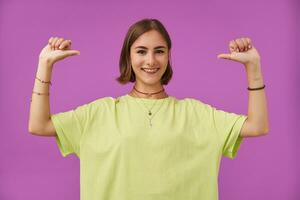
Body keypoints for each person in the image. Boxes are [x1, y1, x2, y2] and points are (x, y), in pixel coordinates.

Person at [28, 18, 269, 200]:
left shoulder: (196, 113)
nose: (151, 61)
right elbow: (39, 125)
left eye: (159, 51)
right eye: (141, 51)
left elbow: (257, 126)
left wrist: (253, 67)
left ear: (168, 56)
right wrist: (44, 64)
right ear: (129, 57)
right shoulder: (100, 113)